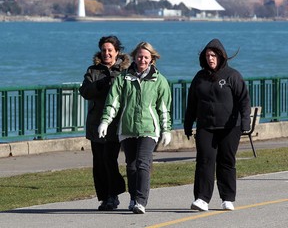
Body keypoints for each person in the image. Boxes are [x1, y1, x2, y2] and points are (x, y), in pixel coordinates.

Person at [98, 42, 172, 214]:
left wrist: (166, 129)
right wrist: (105, 121)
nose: (142, 60)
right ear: (134, 57)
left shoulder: (159, 80)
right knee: (131, 166)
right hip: (127, 128)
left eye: (146, 57)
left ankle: (141, 201)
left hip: (149, 129)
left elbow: (164, 108)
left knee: (142, 163)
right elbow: (113, 102)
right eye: (139, 56)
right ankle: (133, 198)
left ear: (152, 59)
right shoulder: (123, 78)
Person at [184, 38, 251, 212]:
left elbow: (243, 100)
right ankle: (201, 199)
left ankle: (227, 198)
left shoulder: (232, 75)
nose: (210, 58)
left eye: (213, 55)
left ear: (221, 57)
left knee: (226, 161)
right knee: (204, 161)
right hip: (206, 126)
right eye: (207, 55)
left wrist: (245, 121)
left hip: (230, 127)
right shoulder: (199, 77)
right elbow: (191, 102)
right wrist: (187, 123)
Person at [79, 35, 130, 211]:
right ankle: (105, 197)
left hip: (116, 124)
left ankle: (114, 193)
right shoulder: (93, 70)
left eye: (110, 50)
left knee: (110, 160)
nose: (106, 53)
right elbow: (85, 92)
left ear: (117, 52)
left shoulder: (125, 71)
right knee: (99, 162)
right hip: (96, 124)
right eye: (104, 50)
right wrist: (99, 85)